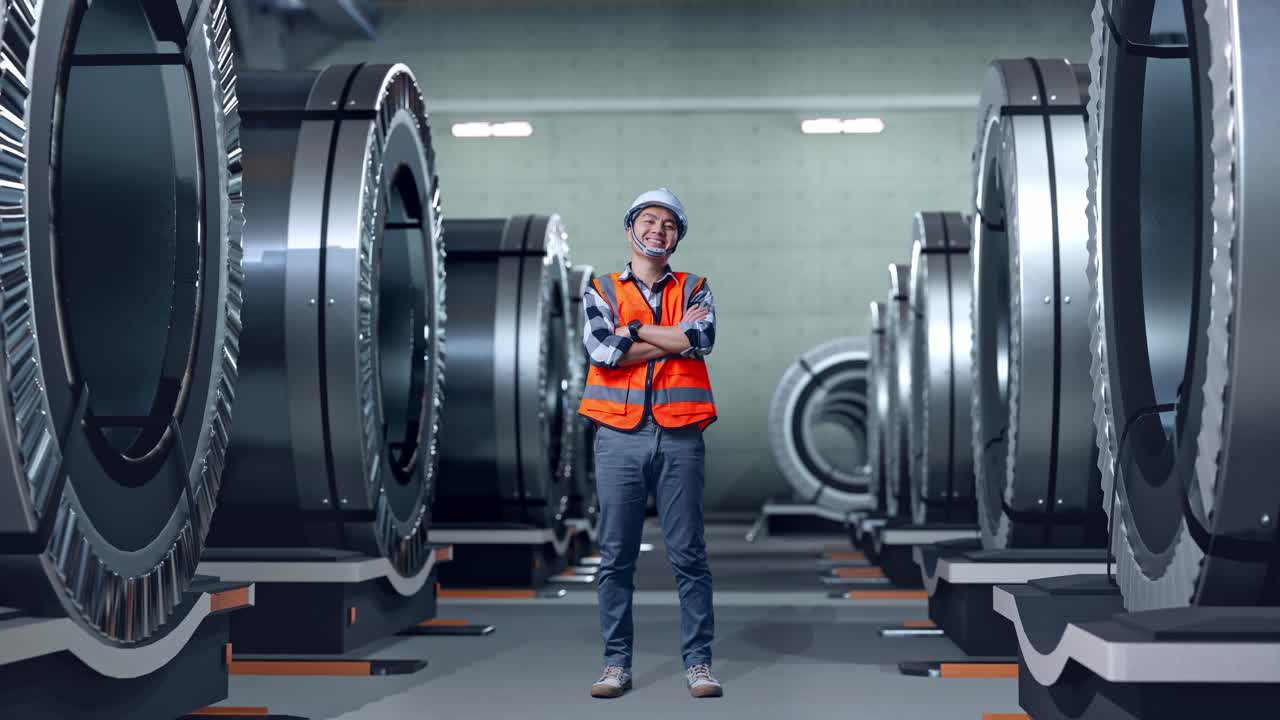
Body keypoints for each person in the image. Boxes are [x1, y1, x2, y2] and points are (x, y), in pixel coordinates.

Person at [578, 188, 721, 699]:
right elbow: (602, 351)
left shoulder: (697, 287)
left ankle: (699, 664)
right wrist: (668, 335)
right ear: (630, 229)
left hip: (680, 434)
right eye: (650, 221)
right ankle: (616, 664)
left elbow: (698, 340)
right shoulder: (599, 289)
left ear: (677, 238)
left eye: (669, 225)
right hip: (618, 435)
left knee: (688, 554)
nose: (658, 230)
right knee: (616, 555)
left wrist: (635, 330)